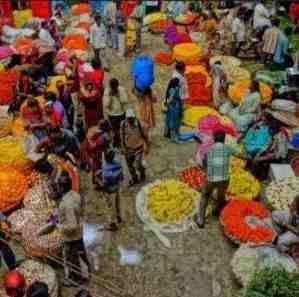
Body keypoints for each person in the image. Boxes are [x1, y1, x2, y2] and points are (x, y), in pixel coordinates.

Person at [49, 171, 91, 285]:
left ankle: (75, 279)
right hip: (79, 231)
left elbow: (71, 226)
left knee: (70, 257)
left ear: (62, 188)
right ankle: (86, 270)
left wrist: (58, 225)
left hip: (71, 236)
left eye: (58, 186)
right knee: (81, 252)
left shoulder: (66, 204)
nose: (57, 188)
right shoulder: (75, 194)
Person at [196, 131, 244, 228]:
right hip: (224, 179)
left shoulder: (209, 149)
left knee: (205, 195)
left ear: (214, 139)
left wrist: (206, 170)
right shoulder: (227, 148)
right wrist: (249, 158)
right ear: (224, 140)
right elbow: (240, 155)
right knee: (221, 196)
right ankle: (217, 211)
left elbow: (204, 162)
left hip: (211, 178)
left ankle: (201, 219)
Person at [252, 115, 289, 180]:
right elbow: (266, 145)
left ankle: (260, 177)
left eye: (271, 130)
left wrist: (263, 157)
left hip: (278, 157)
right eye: (270, 129)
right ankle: (255, 173)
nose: (270, 131)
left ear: (276, 130)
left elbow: (278, 154)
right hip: (271, 152)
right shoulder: (272, 134)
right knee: (255, 154)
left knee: (258, 161)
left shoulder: (281, 138)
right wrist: (259, 153)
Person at [96, 150, 123, 231]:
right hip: (117, 187)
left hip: (109, 190)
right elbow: (121, 175)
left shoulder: (105, 168)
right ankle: (119, 217)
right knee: (117, 202)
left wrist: (99, 181)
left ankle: (112, 224)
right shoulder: (117, 163)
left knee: (110, 207)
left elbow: (105, 182)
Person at [121, 109, 148, 186]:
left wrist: (147, 147)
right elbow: (122, 137)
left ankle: (142, 173)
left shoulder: (139, 124)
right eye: (129, 118)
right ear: (126, 118)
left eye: (131, 118)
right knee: (130, 165)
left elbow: (145, 136)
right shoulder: (123, 125)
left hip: (138, 148)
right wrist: (123, 148)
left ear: (134, 117)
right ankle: (134, 178)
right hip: (128, 149)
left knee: (138, 164)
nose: (130, 120)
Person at [80, 120, 112, 184]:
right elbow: (94, 145)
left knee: (96, 167)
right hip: (93, 152)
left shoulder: (93, 129)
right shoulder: (100, 135)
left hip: (90, 150)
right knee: (97, 167)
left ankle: (96, 180)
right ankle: (98, 182)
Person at [103, 78, 128, 148]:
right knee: (114, 130)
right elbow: (106, 105)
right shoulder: (107, 91)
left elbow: (125, 101)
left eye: (115, 87)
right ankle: (116, 142)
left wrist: (118, 96)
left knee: (122, 128)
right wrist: (110, 97)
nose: (114, 89)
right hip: (112, 115)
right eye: (112, 87)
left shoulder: (121, 90)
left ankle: (122, 142)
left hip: (121, 113)